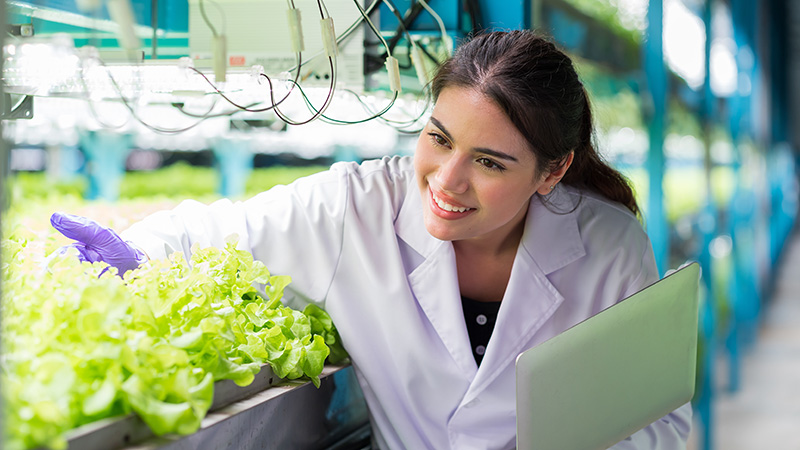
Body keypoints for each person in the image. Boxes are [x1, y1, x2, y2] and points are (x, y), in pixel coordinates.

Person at [51, 30, 691, 449]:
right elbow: (209, 235)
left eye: (490, 163)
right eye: (439, 138)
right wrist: (114, 256)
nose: (447, 181)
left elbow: (662, 423)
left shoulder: (609, 246)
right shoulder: (356, 207)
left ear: (552, 171)